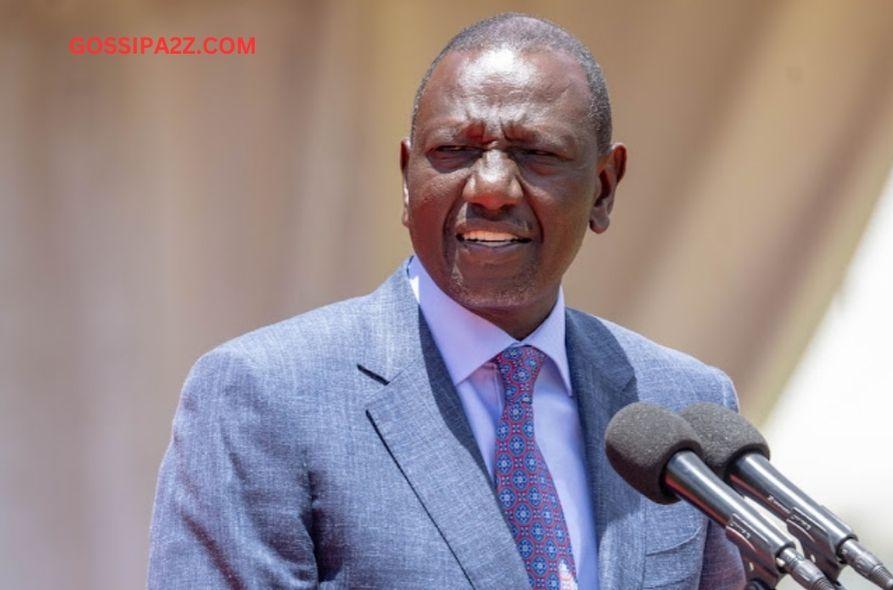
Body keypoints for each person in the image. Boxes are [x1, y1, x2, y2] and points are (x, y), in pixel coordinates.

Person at [148, 13, 745, 590]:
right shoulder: (264, 396)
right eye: (454, 151)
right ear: (408, 179)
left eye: (537, 153)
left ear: (604, 189)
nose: (490, 189)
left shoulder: (681, 408)